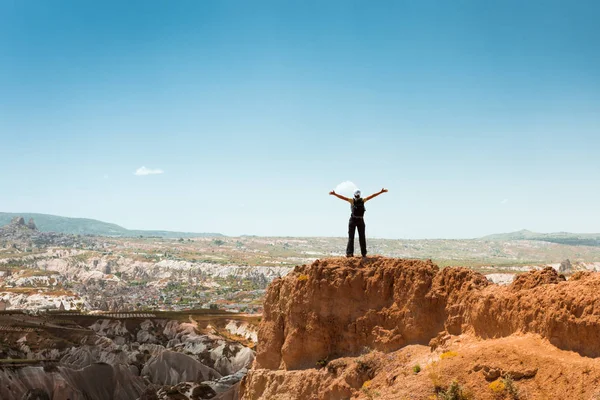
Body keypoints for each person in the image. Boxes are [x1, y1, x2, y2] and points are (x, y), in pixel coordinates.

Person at [329, 187, 388, 258]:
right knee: (362, 237)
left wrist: (334, 194)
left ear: (354, 194)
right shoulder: (363, 200)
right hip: (360, 220)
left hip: (353, 220)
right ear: (360, 195)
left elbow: (342, 197)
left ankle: (349, 253)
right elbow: (372, 195)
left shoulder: (352, 200)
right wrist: (381, 192)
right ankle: (363, 254)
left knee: (351, 237)